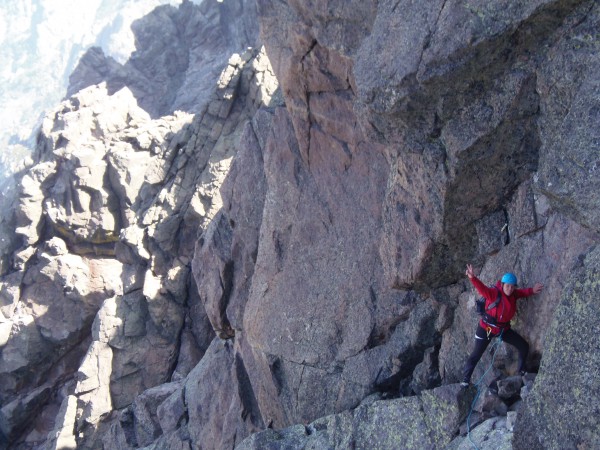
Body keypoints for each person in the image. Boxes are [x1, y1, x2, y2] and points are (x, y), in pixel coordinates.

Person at [461, 264, 543, 387]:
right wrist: (472, 277)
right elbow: (482, 288)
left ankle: (522, 370)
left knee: (524, 346)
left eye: (512, 287)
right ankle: (465, 380)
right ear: (503, 285)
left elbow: (522, 293)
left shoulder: (513, 294)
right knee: (476, 354)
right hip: (487, 328)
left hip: (502, 329)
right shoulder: (494, 293)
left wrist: (532, 290)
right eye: (507, 286)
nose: (510, 289)